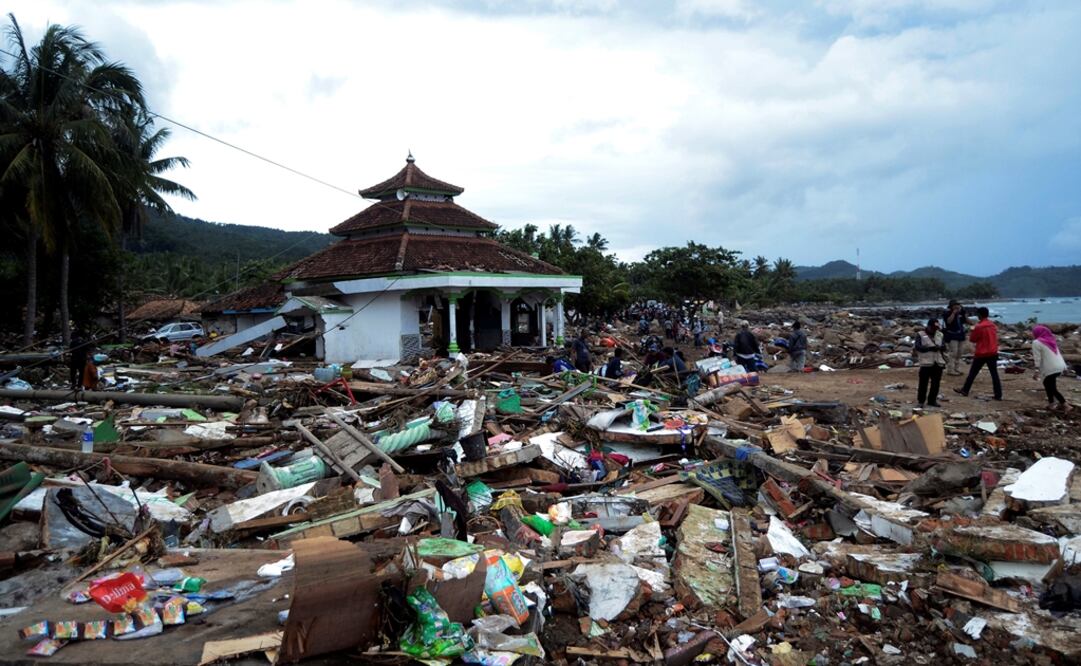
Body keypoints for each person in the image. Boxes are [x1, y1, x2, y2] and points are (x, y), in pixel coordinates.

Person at [955, 307, 1002, 400]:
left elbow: (973, 339)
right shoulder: (992, 325)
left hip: (982, 353)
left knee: (973, 373)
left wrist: (972, 331)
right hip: (992, 352)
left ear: (979, 315)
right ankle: (998, 394)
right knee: (994, 374)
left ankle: (965, 390)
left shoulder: (979, 326)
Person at [1031, 325, 1072, 412]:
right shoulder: (1051, 341)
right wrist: (1065, 367)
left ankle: (1065, 404)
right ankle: (1052, 404)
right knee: (1048, 384)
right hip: (1059, 366)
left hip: (1051, 368)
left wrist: (1036, 370)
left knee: (1051, 386)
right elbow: (1058, 355)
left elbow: (1037, 358)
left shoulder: (1036, 342)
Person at [915, 318, 946, 407]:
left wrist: (941, 347)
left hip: (938, 362)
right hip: (926, 362)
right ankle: (921, 401)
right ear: (928, 326)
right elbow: (918, 347)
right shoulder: (920, 335)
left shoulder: (940, 334)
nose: (934, 330)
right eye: (932, 328)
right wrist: (930, 348)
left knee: (936, 383)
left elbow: (944, 346)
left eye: (936, 328)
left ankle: (932, 400)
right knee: (923, 383)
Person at [942, 300, 967, 376]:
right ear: (951, 306)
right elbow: (948, 322)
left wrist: (964, 314)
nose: (957, 306)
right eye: (955, 305)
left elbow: (965, 321)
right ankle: (950, 369)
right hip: (952, 335)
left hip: (960, 335)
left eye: (958, 305)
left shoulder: (961, 313)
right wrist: (954, 313)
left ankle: (957, 368)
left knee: (960, 353)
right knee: (953, 352)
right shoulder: (947, 313)